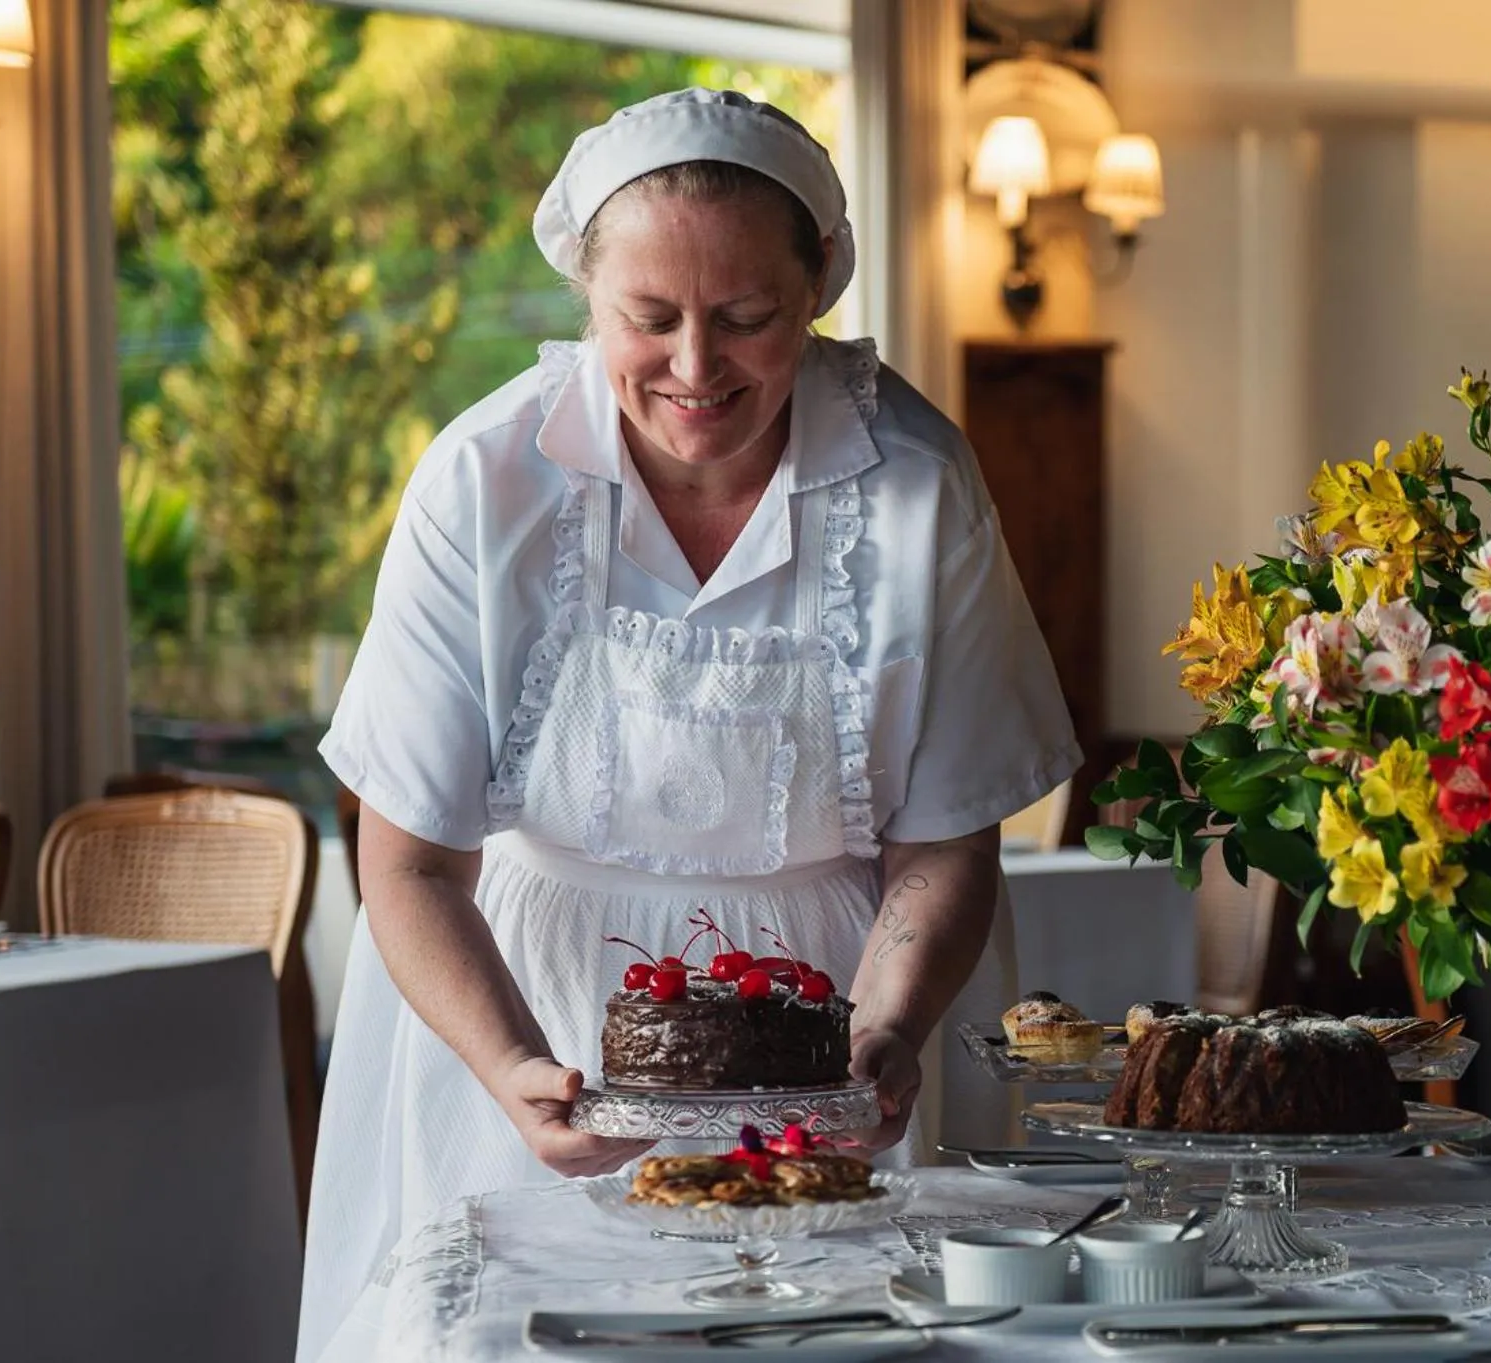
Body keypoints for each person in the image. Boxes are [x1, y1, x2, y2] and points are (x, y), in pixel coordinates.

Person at [296, 89, 1079, 1359]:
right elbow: (412, 859)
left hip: (835, 1024)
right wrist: (512, 1071)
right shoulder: (484, 480)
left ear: (817, 281)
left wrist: (877, 1031)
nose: (696, 367)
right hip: (528, 1014)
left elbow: (944, 845)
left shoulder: (916, 485)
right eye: (646, 320)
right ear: (584, 298)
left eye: (745, 319)